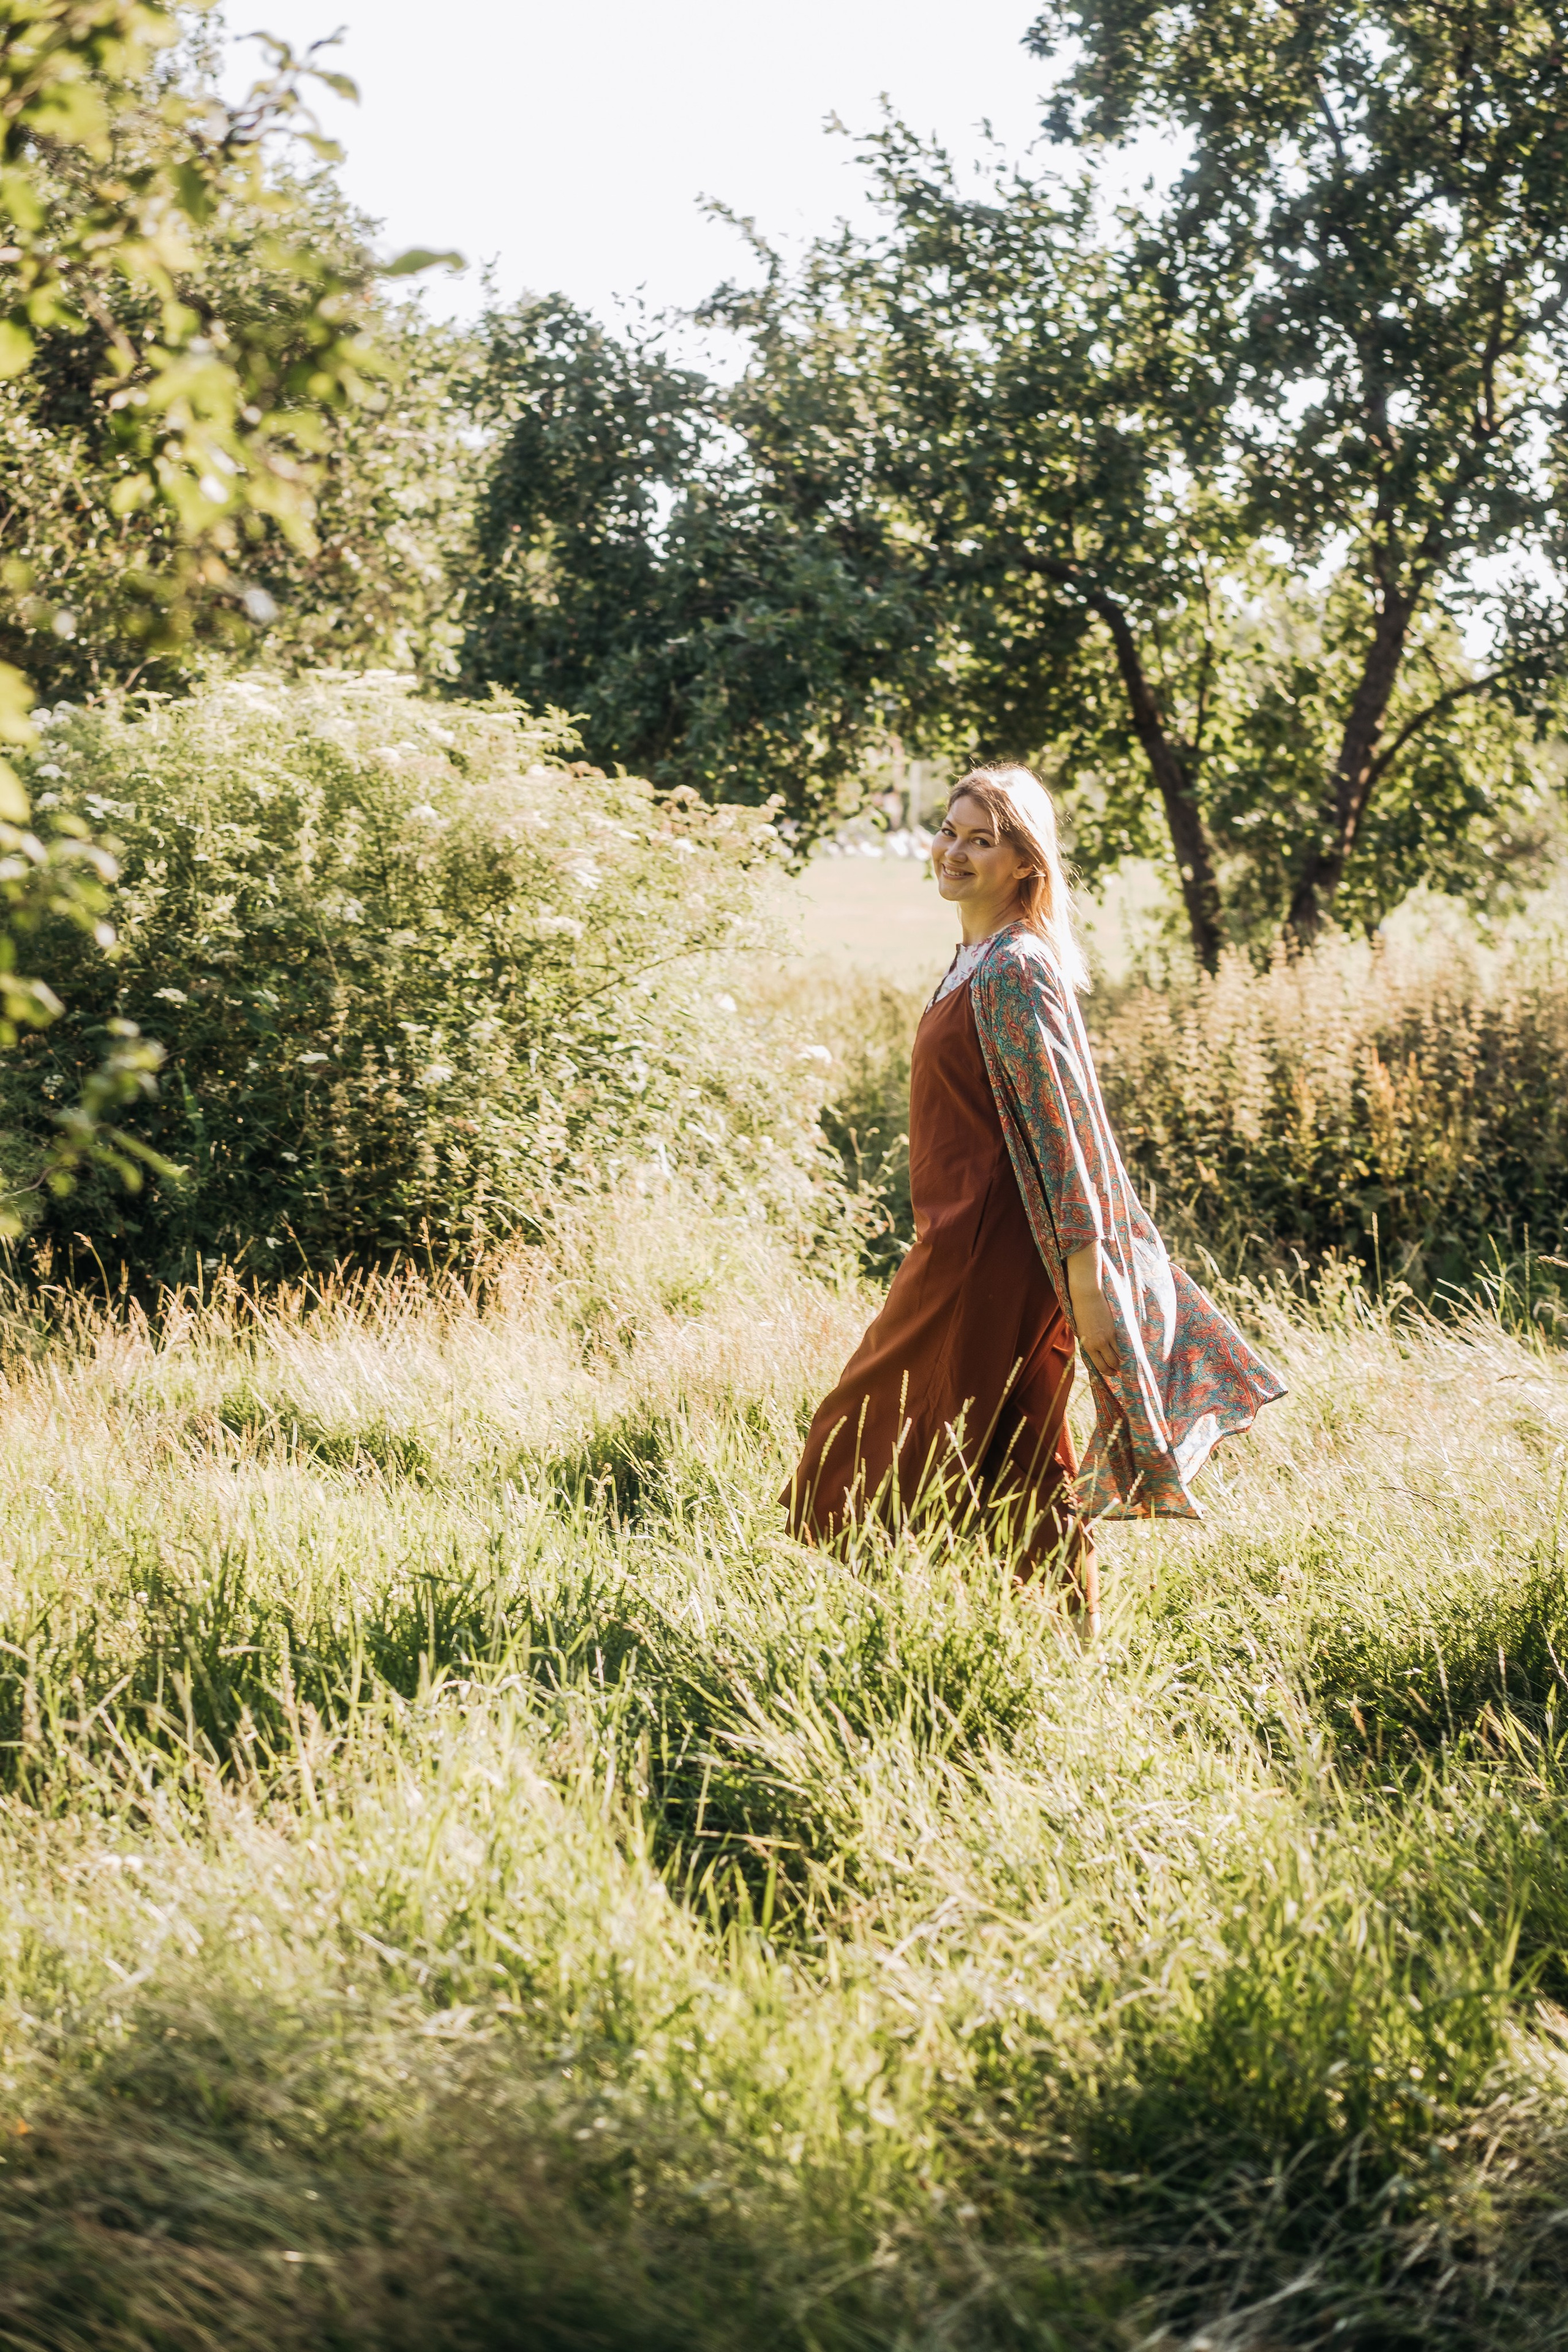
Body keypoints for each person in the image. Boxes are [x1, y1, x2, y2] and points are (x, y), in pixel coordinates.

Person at [784, 764, 1285, 1622]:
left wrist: (1086, 1279)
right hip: (964, 1243)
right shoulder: (978, 958)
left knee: (855, 1442)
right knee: (1020, 1460)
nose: (955, 850)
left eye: (984, 839)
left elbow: (1063, 1132)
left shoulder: (1015, 969)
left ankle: (879, 1621)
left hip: (985, 1257)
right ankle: (1064, 1643)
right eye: (950, 830)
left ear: (1026, 863)